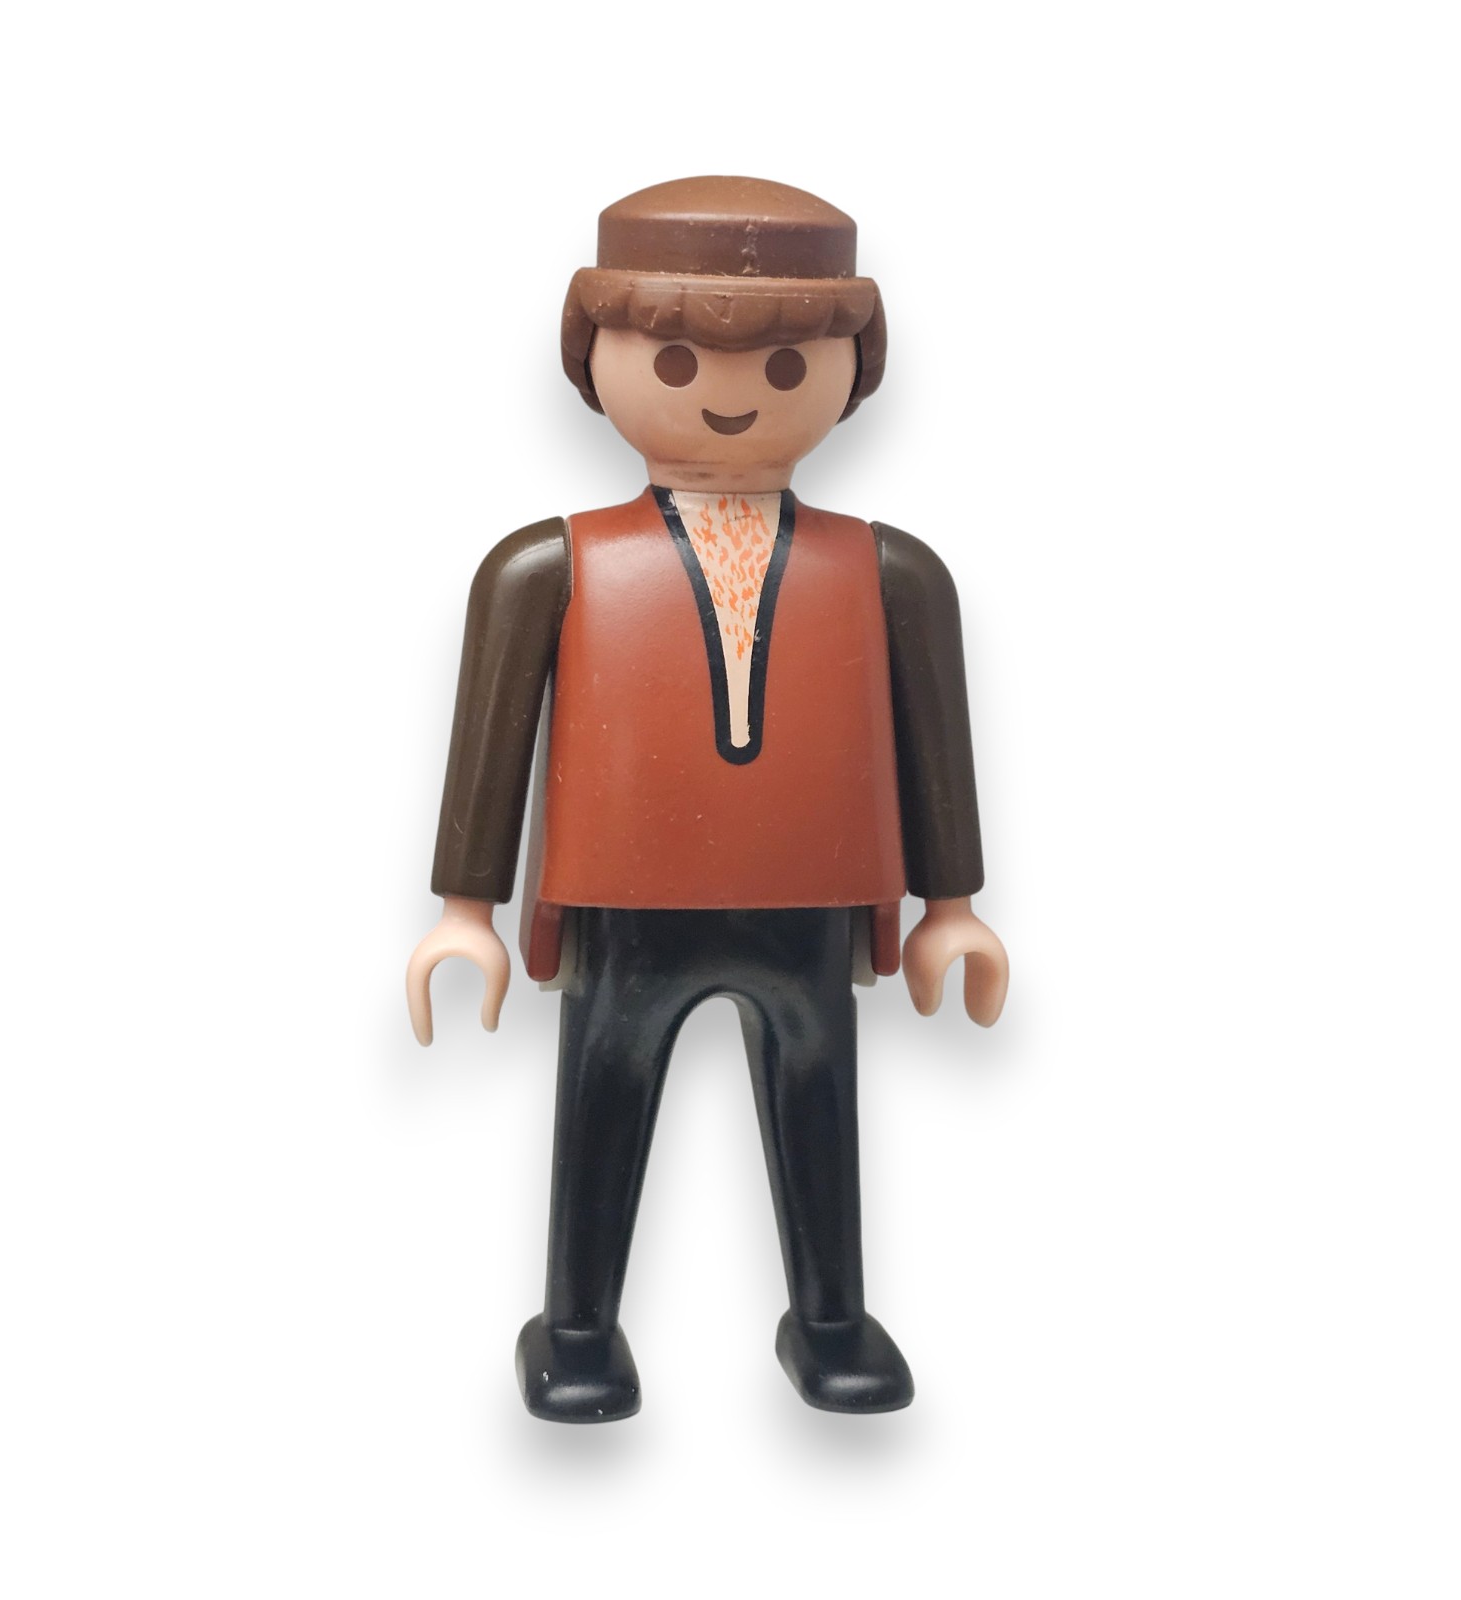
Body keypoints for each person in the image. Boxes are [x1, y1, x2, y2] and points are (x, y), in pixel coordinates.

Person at [406, 176, 1008, 1421]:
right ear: (594, 359)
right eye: (674, 359)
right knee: (604, 1097)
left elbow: (933, 736)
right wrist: (466, 908)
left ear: (850, 371)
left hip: (810, 899)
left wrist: (951, 903)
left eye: (787, 366)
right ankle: (578, 1325)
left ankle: (829, 1318)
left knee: (817, 1098)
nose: (729, 395)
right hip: (625, 899)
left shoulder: (890, 571)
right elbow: (491, 736)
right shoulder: (549, 565)